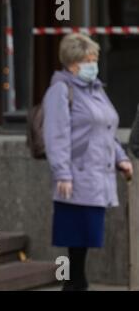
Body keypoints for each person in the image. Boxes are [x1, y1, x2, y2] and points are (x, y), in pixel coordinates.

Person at [43, 33, 133, 291]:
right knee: (77, 242)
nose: (93, 64)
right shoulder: (61, 90)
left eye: (94, 58)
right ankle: (75, 287)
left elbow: (106, 131)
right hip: (76, 178)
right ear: (72, 63)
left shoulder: (96, 89)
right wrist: (62, 174)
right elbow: (56, 135)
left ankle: (77, 285)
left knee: (85, 242)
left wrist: (121, 158)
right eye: (88, 59)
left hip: (98, 178)